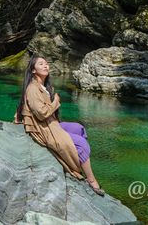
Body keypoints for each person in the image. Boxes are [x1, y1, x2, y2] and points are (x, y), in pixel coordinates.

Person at [14, 54, 105, 196]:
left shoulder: (44, 86)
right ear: (33, 70)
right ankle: (91, 180)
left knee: (78, 128)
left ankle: (76, 161)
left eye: (46, 63)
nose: (45, 66)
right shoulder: (32, 88)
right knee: (80, 143)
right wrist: (55, 102)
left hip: (52, 124)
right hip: (41, 127)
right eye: (41, 64)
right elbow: (41, 114)